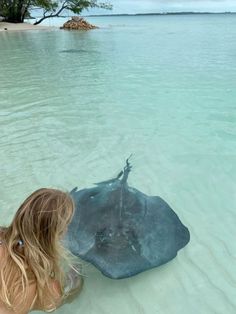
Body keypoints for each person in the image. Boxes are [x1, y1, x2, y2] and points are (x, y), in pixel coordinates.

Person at [0, 188, 83, 314]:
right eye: (65, 225)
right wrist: (76, 283)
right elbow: (64, 297)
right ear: (56, 235)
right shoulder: (46, 289)